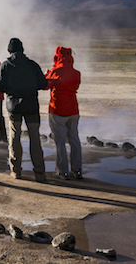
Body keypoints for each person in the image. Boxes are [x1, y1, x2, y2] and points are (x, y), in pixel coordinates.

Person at [0, 38, 48, 182]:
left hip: (14, 107)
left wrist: (10, 89)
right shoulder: (32, 65)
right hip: (31, 106)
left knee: (15, 138)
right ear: (22, 50)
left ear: (9, 51)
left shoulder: (6, 65)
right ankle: (40, 173)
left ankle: (16, 171)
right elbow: (43, 83)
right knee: (35, 138)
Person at [45, 46, 83, 180]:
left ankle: (62, 171)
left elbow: (45, 85)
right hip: (73, 109)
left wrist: (46, 74)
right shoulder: (76, 73)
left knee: (60, 142)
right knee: (74, 140)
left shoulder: (56, 71)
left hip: (58, 109)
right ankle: (77, 170)